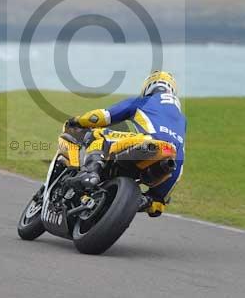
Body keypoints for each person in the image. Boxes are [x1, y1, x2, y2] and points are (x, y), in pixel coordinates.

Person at [65, 71, 186, 217]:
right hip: (169, 160)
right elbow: (180, 158)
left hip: (146, 144)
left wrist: (78, 121)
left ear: (148, 87)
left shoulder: (144, 101)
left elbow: (103, 116)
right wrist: (159, 199)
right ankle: (145, 200)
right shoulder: (181, 119)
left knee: (98, 135)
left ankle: (91, 173)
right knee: (155, 201)